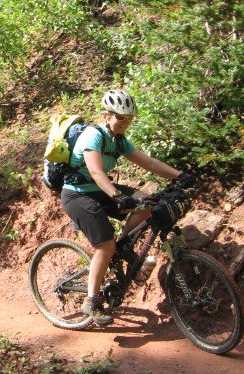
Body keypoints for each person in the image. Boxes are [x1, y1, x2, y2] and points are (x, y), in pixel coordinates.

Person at [60, 89, 195, 326]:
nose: (125, 122)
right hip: (78, 195)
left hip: (101, 190)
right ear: (107, 115)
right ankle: (91, 301)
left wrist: (180, 175)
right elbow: (95, 171)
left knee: (148, 204)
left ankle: (123, 247)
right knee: (105, 245)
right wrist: (116, 195)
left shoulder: (119, 140)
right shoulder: (93, 135)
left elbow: (150, 163)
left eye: (129, 118)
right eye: (121, 117)